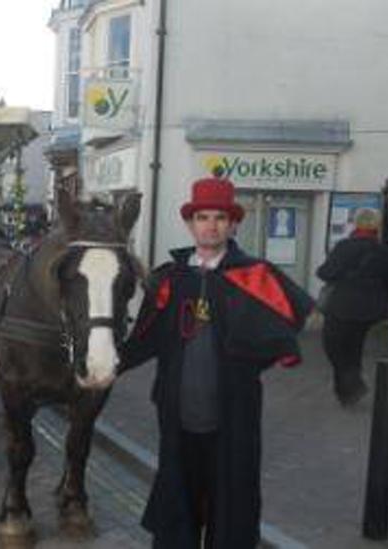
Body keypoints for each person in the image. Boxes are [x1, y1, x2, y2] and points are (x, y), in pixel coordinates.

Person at [118, 177, 314, 548]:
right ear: (191, 224)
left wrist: (249, 362)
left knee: (233, 500)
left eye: (220, 217)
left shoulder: (255, 276)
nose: (211, 225)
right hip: (177, 416)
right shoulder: (169, 279)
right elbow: (144, 339)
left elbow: (287, 324)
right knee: (178, 500)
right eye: (203, 217)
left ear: (234, 224)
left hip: (234, 415)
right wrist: (106, 368)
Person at [317, 209, 388, 406]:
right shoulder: (385, 252)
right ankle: (348, 391)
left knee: (333, 347)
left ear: (356, 224)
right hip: (371, 309)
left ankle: (351, 385)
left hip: (342, 306)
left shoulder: (344, 247)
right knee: (354, 347)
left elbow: (325, 273)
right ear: (376, 226)